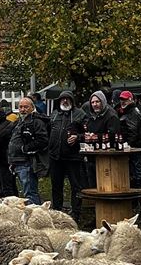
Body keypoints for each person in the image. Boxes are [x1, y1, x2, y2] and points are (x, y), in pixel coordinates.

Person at [48, 91, 86, 221]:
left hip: (73, 157)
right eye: (62, 99)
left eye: (67, 99)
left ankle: (76, 213)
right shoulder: (54, 114)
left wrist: (78, 137)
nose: (64, 101)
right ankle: (57, 212)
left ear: (72, 101)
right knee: (56, 185)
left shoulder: (80, 114)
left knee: (76, 186)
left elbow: (88, 134)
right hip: (55, 157)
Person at [8, 97, 48, 205]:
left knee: (30, 192)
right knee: (26, 192)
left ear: (32, 108)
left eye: (26, 107)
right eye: (20, 107)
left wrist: (25, 148)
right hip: (16, 161)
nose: (23, 109)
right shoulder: (18, 121)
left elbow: (42, 140)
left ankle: (36, 216)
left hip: (27, 162)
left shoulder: (36, 122)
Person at [85, 91, 120, 187]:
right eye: (92, 102)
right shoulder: (92, 116)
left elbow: (113, 135)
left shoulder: (111, 116)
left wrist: (95, 136)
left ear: (103, 101)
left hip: (107, 157)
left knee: (106, 185)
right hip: (92, 155)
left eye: (97, 102)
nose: (95, 104)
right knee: (93, 185)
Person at [118, 90, 141, 188]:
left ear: (130, 99)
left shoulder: (133, 112)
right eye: (121, 99)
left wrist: (127, 145)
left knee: (136, 175)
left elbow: (133, 132)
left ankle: (139, 198)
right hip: (136, 148)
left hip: (133, 149)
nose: (122, 101)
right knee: (137, 174)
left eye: (125, 99)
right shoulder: (134, 111)